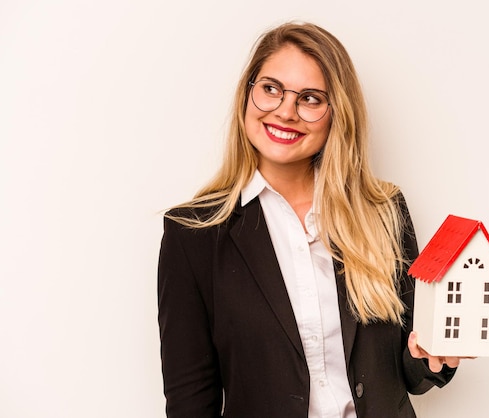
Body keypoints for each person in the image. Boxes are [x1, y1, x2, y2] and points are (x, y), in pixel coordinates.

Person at [157, 21, 461, 418]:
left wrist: (433, 357)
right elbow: (190, 402)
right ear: (247, 95)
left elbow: (408, 373)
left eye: (311, 98)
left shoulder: (382, 210)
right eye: (270, 89)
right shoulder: (192, 235)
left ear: (338, 114)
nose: (285, 111)